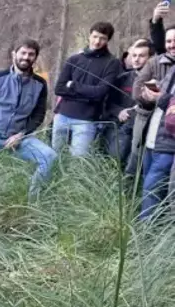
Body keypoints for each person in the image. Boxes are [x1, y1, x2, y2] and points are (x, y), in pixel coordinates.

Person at [0, 39, 56, 198]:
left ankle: (34, 202)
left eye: (31, 54)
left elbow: (38, 115)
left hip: (19, 138)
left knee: (49, 156)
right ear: (14, 54)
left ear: (35, 58)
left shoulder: (40, 84)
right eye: (23, 53)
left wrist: (22, 134)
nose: (26, 57)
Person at [51, 21, 122, 156]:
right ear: (89, 36)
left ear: (108, 40)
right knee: (55, 157)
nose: (97, 42)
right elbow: (59, 89)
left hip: (86, 120)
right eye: (95, 36)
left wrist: (73, 85)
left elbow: (100, 93)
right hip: (62, 116)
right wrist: (88, 93)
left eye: (102, 38)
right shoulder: (74, 59)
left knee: (78, 163)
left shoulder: (111, 63)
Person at [136, 27, 175, 221]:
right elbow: (138, 90)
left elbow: (169, 102)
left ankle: (145, 235)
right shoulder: (165, 66)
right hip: (153, 136)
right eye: (169, 41)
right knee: (148, 185)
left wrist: (160, 97)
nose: (172, 45)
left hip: (169, 142)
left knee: (152, 189)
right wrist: (148, 95)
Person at [98, 40, 151, 179]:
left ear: (150, 58)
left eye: (141, 56)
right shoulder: (122, 79)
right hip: (117, 127)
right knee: (113, 163)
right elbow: (107, 103)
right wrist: (119, 111)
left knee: (132, 171)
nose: (137, 59)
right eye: (134, 56)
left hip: (141, 132)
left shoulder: (155, 82)